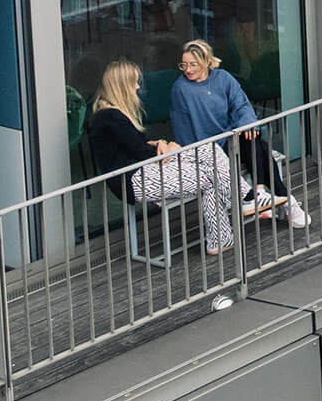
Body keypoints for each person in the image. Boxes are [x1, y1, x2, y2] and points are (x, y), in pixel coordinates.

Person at [87, 58, 242, 255]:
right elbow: (142, 152)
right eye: (134, 82)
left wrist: (160, 145)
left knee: (208, 153)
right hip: (134, 180)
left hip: (141, 173)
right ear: (122, 86)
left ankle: (230, 222)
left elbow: (139, 144)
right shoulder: (111, 116)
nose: (137, 87)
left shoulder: (111, 115)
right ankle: (240, 203)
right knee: (210, 173)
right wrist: (166, 148)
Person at [170, 39, 306, 228]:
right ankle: (285, 200)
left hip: (229, 138)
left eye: (193, 64)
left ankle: (260, 193)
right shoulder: (181, 89)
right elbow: (182, 128)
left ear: (207, 62)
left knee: (252, 135)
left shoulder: (223, 78)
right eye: (184, 65)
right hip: (209, 150)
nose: (188, 69)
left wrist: (248, 124)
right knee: (261, 148)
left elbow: (241, 105)